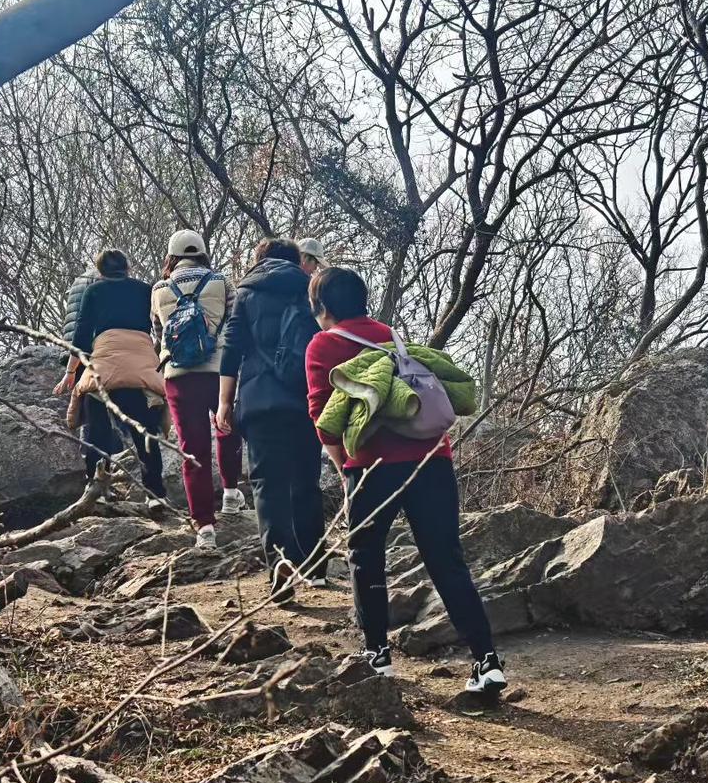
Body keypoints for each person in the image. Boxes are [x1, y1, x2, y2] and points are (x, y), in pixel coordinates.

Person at [304, 265, 507, 695]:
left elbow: (323, 419)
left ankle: (377, 657)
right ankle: (486, 661)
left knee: (366, 556)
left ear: (322, 308)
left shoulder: (324, 344)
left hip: (373, 466)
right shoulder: (392, 336)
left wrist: (345, 466)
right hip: (432, 459)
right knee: (446, 559)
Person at [216, 237, 325, 600]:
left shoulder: (247, 293)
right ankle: (315, 566)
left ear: (259, 260)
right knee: (306, 481)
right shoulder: (310, 290)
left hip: (260, 402)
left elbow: (231, 350)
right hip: (305, 399)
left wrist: (224, 404)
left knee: (267, 483)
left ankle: (280, 561)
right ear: (296, 260)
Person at [152, 229, 245, 550]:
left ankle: (204, 527)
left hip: (179, 376)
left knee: (193, 449)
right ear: (202, 253)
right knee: (227, 428)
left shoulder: (159, 289)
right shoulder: (221, 281)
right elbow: (234, 325)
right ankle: (230, 494)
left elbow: (159, 334)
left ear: (171, 256)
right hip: (219, 371)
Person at [57, 249, 168, 512]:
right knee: (145, 431)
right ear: (127, 268)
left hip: (103, 369)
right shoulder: (145, 290)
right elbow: (159, 327)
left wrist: (70, 373)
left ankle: (98, 489)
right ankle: (155, 494)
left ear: (100, 271)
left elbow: (82, 337)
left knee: (97, 430)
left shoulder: (94, 291)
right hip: (140, 367)